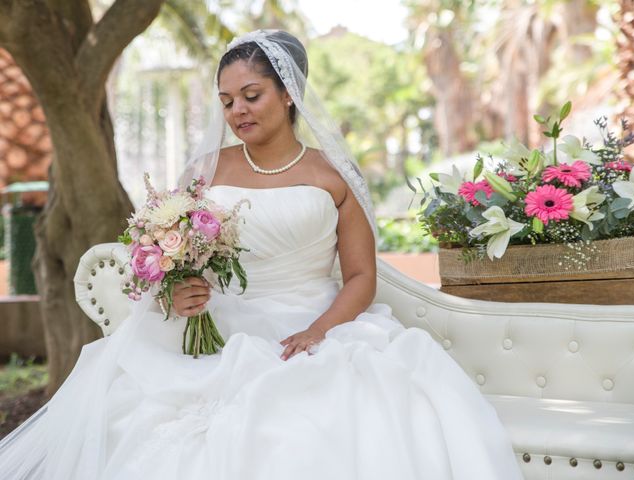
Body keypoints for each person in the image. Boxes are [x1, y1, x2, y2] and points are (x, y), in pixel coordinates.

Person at [0, 30, 524, 479]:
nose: (238, 111)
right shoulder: (205, 172)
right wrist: (181, 291)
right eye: (227, 102)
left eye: (251, 95)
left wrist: (319, 331)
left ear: (288, 93)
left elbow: (362, 276)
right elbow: (173, 262)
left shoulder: (333, 174)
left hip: (316, 323)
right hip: (219, 327)